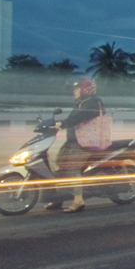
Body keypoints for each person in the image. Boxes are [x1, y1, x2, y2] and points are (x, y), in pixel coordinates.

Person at [51, 77, 104, 213]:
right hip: (74, 141)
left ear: (85, 89)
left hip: (87, 143)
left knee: (72, 166)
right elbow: (72, 118)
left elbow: (79, 117)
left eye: (76, 88)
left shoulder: (94, 102)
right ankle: (60, 197)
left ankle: (78, 200)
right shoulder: (80, 102)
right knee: (59, 163)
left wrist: (63, 124)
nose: (74, 91)